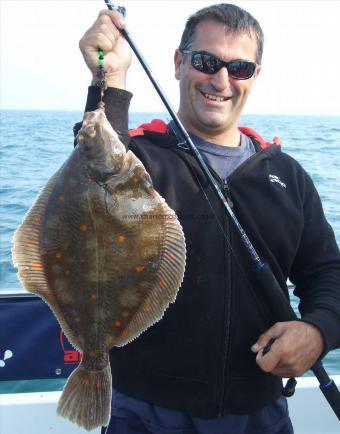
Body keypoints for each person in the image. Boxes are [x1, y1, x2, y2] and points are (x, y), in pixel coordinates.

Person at [77, 3, 340, 433]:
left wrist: (318, 330)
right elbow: (92, 180)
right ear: (179, 64)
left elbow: (328, 271)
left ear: (255, 77)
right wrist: (109, 78)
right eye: (206, 62)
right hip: (144, 411)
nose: (221, 81)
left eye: (239, 68)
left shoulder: (288, 176)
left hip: (259, 412)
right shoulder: (136, 160)